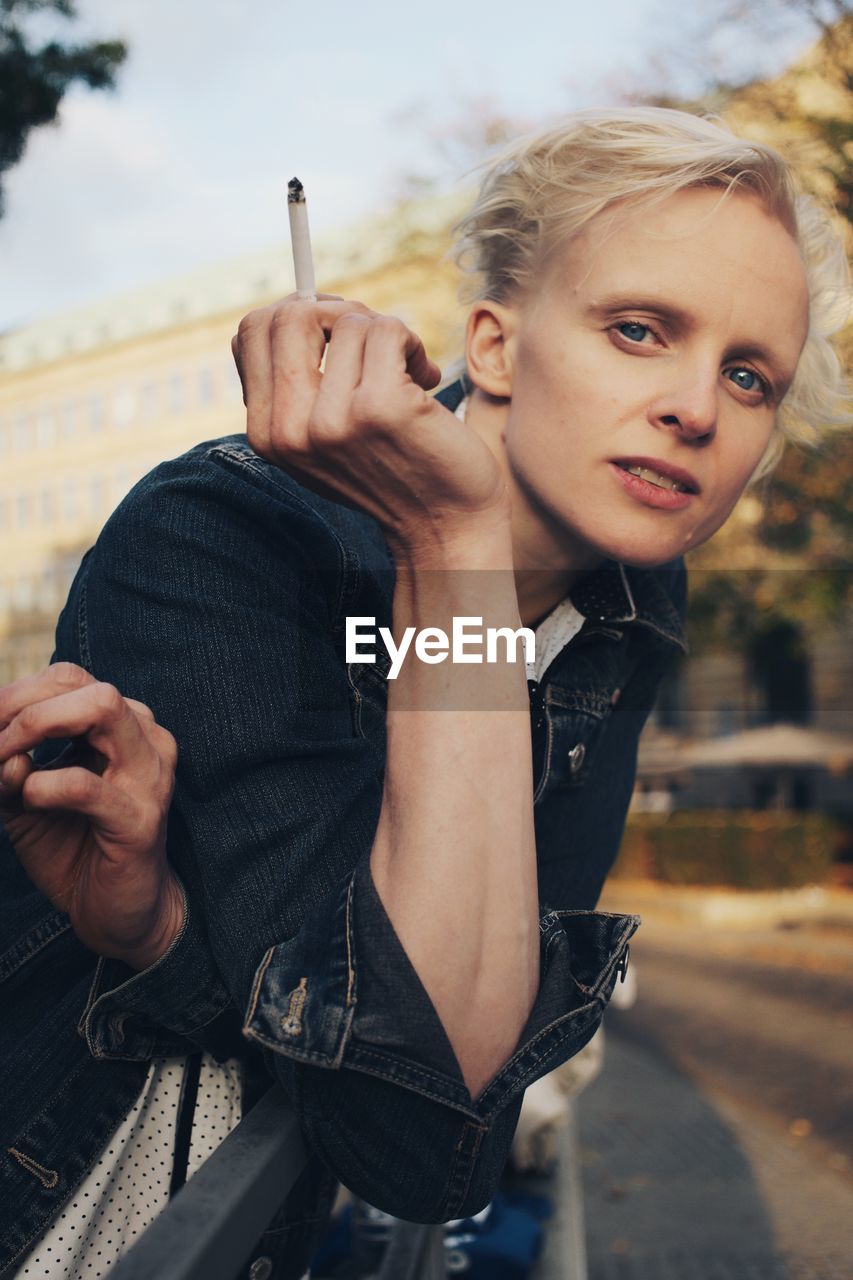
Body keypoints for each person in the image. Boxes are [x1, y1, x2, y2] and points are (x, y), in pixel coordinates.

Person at [1, 106, 849, 1280]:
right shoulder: (224, 532)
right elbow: (406, 1105)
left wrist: (171, 933)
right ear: (493, 348)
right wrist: (450, 543)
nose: (696, 408)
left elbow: (440, 1107)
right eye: (640, 329)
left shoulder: (629, 608)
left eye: (749, 374)